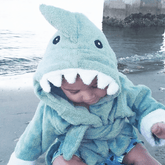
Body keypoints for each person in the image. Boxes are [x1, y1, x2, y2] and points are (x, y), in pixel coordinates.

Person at [7, 4, 165, 165]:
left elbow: (141, 103)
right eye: (74, 92)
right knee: (62, 161)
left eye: (96, 86)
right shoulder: (55, 104)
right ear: (58, 87)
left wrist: (154, 122)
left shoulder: (120, 88)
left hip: (118, 143)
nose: (89, 96)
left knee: (142, 156)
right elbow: (36, 136)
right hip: (76, 149)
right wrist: (22, 160)